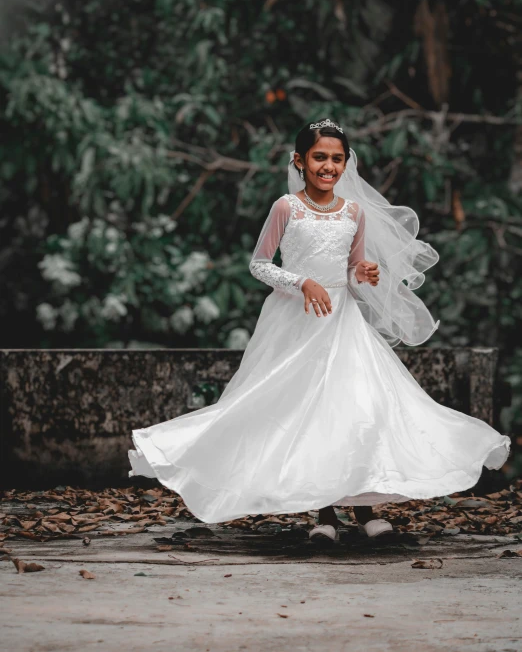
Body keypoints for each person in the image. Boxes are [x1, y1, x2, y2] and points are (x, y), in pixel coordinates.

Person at [128, 119, 510, 544]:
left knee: (355, 410)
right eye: (320, 157)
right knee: (300, 412)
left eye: (337, 158)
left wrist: (363, 272)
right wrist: (301, 282)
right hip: (295, 321)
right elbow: (259, 264)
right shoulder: (286, 207)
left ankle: (364, 510)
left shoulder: (354, 212)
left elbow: (351, 271)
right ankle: (323, 513)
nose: (328, 166)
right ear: (301, 161)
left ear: (346, 164)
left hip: (341, 321)